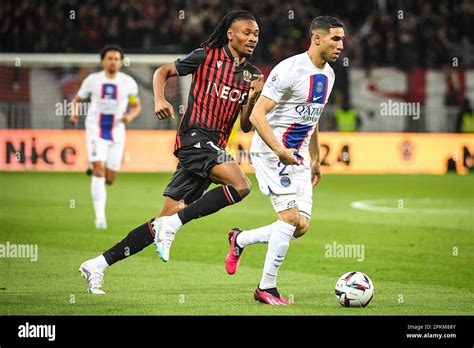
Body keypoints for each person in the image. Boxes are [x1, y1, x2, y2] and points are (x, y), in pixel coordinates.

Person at [79, 10, 264, 294]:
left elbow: (246, 126)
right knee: (241, 185)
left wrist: (251, 100)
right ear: (230, 34)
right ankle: (176, 225)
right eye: (246, 32)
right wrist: (159, 98)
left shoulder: (253, 75)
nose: (252, 38)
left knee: (163, 219)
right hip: (194, 138)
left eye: (256, 34)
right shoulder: (206, 56)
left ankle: (98, 264)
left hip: (214, 147)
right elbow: (162, 71)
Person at [225, 16, 345, 305]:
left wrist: (315, 158)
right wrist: (279, 150)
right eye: (335, 39)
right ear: (317, 38)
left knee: (300, 226)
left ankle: (239, 240)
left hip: (298, 157)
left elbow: (312, 117)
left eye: (342, 39)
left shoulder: (328, 74)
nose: (341, 45)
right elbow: (256, 116)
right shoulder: (289, 70)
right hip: (271, 153)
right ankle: (266, 288)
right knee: (289, 219)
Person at [69, 45, 141, 229]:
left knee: (109, 179)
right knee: (99, 171)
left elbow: (135, 105)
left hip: (117, 131)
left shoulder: (128, 83)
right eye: (109, 58)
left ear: (121, 62)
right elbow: (77, 99)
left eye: (116, 59)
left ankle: (94, 166)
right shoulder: (92, 80)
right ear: (102, 61)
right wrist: (74, 113)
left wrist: (130, 117)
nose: (113, 61)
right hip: (95, 129)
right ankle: (100, 217)